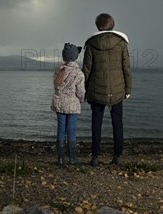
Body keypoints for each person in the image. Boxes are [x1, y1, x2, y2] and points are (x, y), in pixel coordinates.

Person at [82, 13, 132, 167]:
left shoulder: (91, 44)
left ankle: (95, 157)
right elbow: (126, 68)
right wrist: (128, 89)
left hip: (96, 91)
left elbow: (86, 70)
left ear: (97, 26)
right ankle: (117, 156)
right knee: (118, 123)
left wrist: (83, 90)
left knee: (96, 123)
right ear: (113, 25)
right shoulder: (121, 44)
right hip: (117, 91)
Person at [51, 43, 85, 166]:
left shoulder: (58, 70)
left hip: (60, 104)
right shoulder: (79, 73)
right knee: (71, 130)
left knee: (61, 130)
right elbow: (81, 92)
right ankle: (72, 158)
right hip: (73, 105)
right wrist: (81, 100)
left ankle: (60, 159)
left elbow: (56, 87)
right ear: (75, 57)